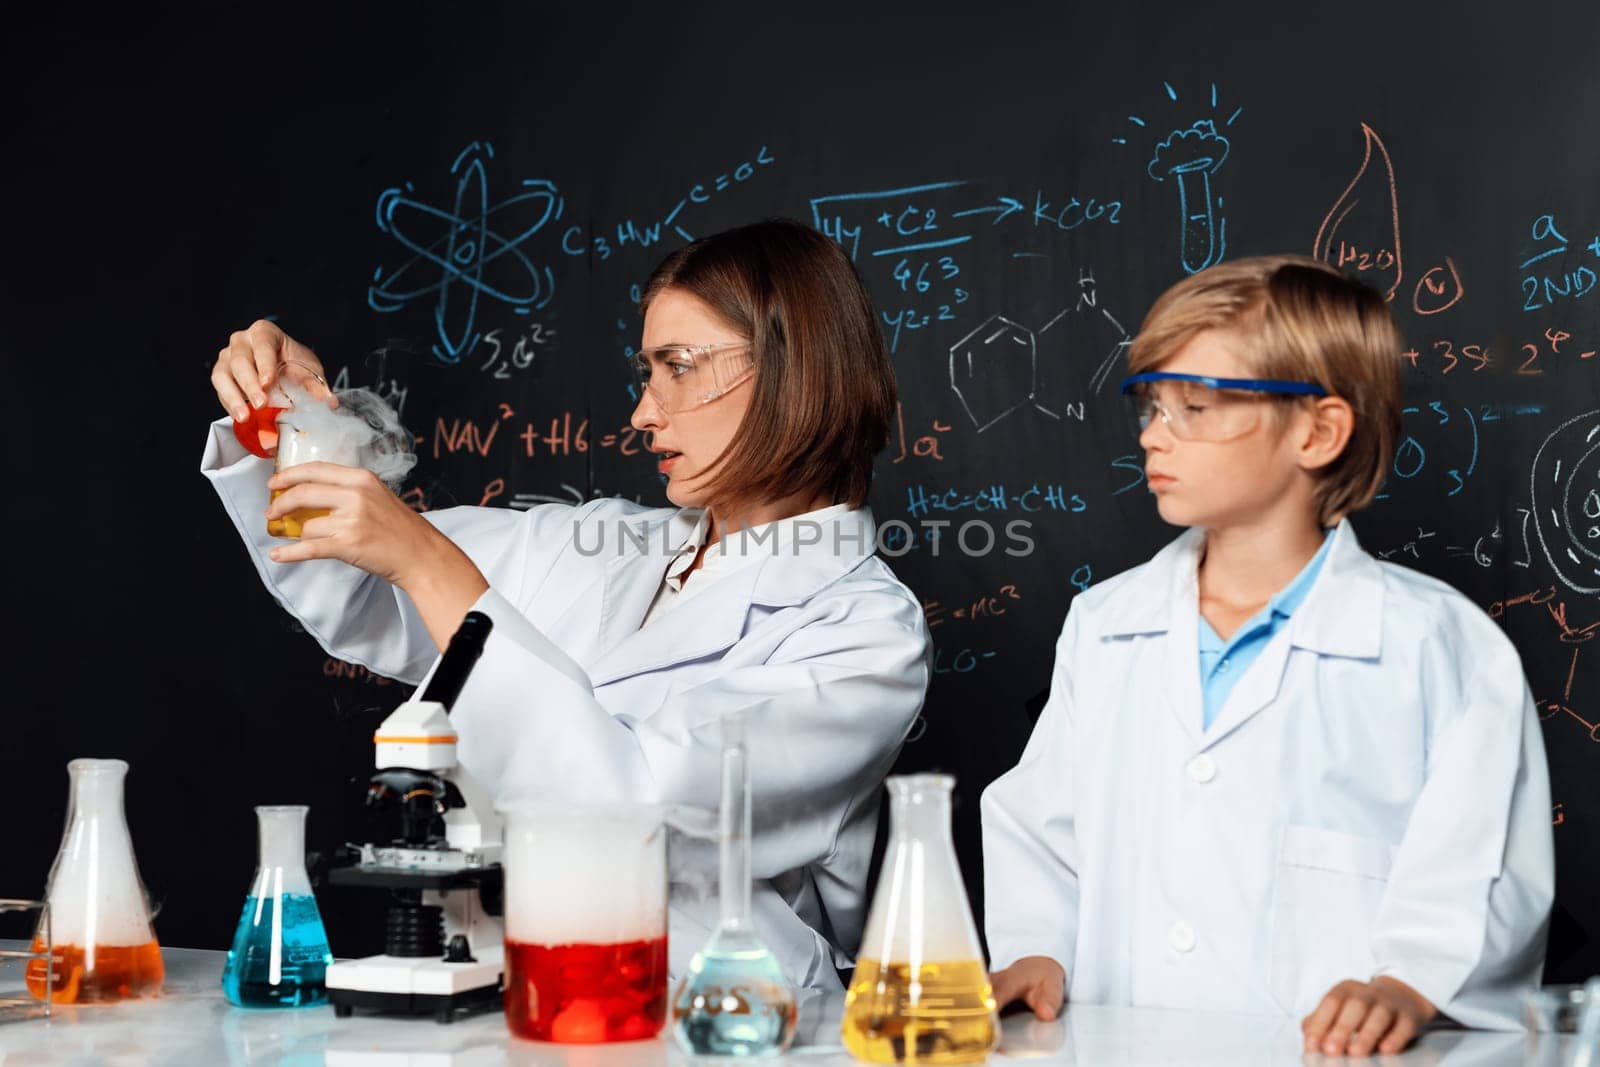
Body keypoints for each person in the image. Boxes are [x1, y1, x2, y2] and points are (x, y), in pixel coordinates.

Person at [201, 217, 931, 992]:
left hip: (717, 1016)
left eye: (677, 366)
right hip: (511, 994)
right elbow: (358, 581)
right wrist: (293, 417)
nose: (644, 413)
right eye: (648, 372)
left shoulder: (865, 635)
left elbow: (629, 812)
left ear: (795, 368)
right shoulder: (606, 543)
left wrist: (427, 559)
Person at [980, 255, 1554, 1056]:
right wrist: (1035, 947)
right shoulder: (1105, 626)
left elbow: (1483, 865)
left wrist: (1408, 982)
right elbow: (1041, 827)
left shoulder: (1438, 645)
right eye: (1151, 405)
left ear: (1318, 431)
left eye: (1198, 405)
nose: (1154, 433)